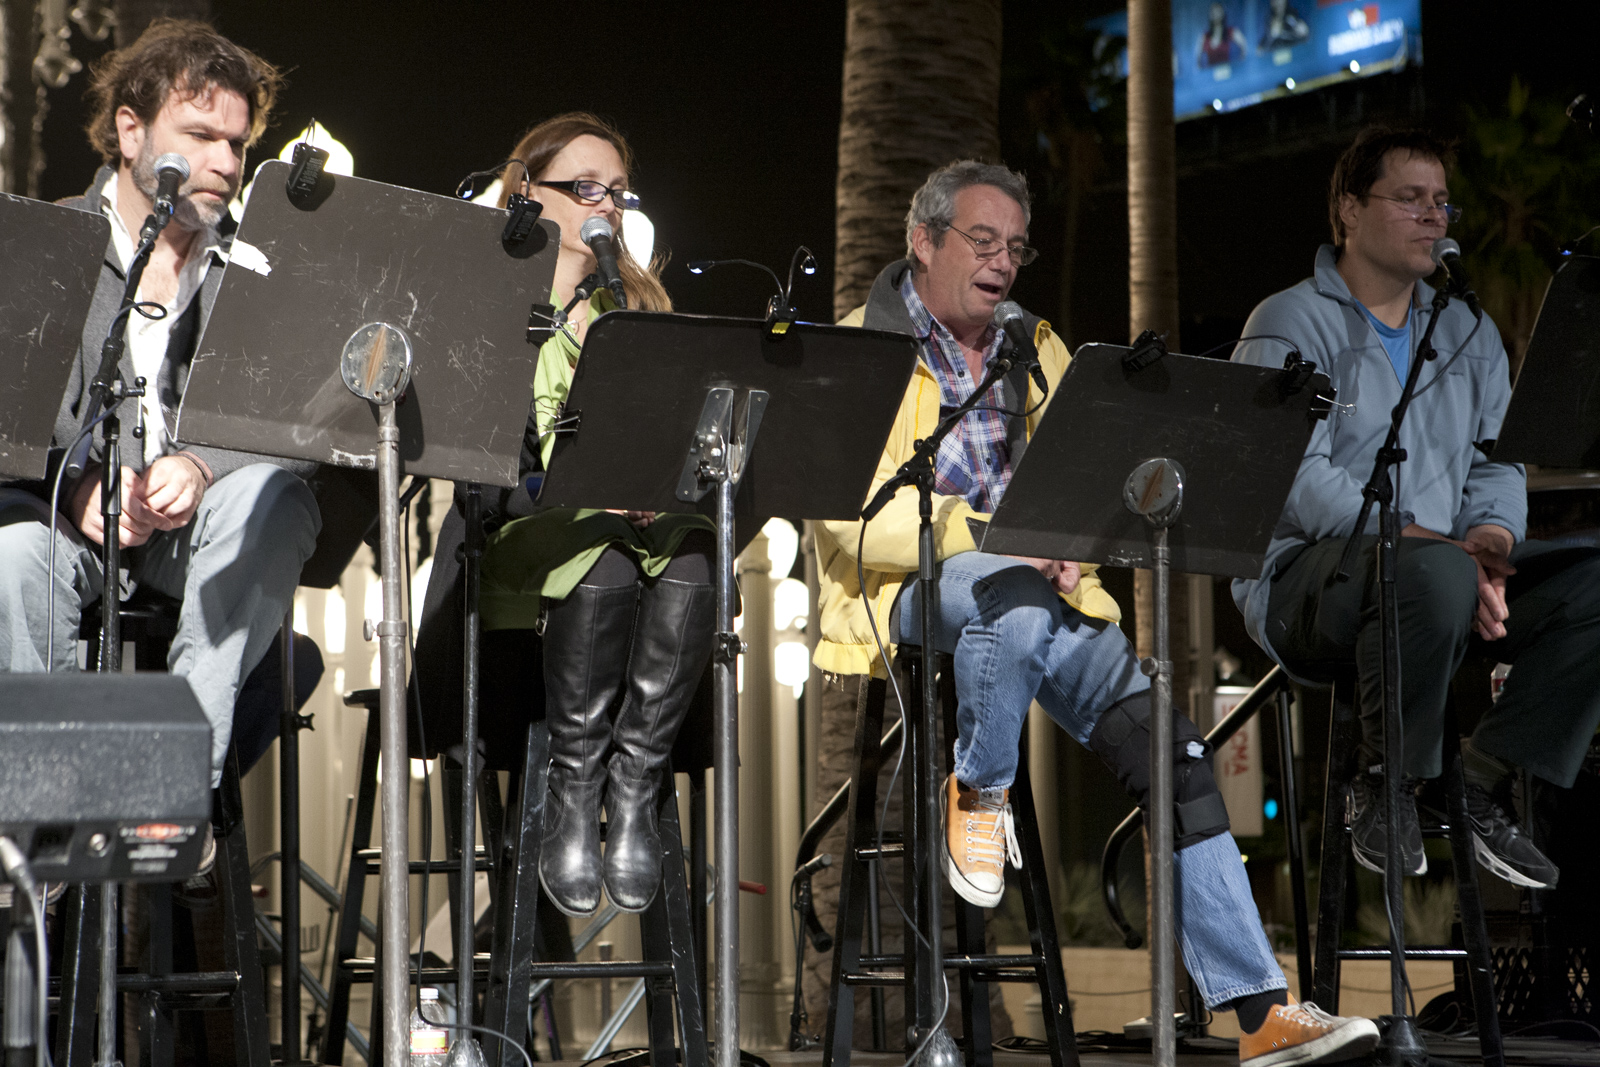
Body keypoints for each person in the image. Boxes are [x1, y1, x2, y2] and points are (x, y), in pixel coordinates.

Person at [816, 159, 1379, 1066]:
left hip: (1046, 597)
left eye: (1015, 246)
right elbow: (848, 519)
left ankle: (1260, 1013)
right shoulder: (859, 343)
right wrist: (1000, 538)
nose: (1003, 262)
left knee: (1178, 755)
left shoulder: (1031, 342)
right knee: (1019, 594)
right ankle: (982, 788)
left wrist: (1082, 530)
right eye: (982, 240)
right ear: (923, 242)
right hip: (913, 589)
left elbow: (1091, 470)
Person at [1232, 127, 1600, 888]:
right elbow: (1294, 481)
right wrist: (1439, 549)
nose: (1435, 217)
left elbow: (1497, 463)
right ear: (1347, 210)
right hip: (1308, 584)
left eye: (1442, 202)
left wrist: (1492, 544)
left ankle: (1481, 777)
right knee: (1429, 568)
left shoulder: (1467, 331)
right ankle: (1386, 783)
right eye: (1410, 199)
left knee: (1593, 579)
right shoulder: (1287, 322)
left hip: (1444, 577)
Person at [0, 19, 319, 788]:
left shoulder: (257, 265)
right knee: (9, 560)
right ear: (131, 130)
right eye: (200, 134)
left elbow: (302, 423)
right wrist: (74, 485)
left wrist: (207, 466)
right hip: (69, 529)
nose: (223, 162)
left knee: (277, 499)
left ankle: (171, 788)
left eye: (237, 144)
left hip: (197, 541)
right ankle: (37, 841)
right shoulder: (47, 242)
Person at [470, 113, 714, 918]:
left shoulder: (639, 300)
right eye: (582, 188)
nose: (603, 203)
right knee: (601, 558)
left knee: (694, 557)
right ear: (526, 194)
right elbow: (494, 471)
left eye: (614, 189)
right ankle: (575, 784)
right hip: (539, 529)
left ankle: (636, 782)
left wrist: (658, 480)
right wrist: (587, 488)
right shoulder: (495, 296)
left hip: (644, 524)